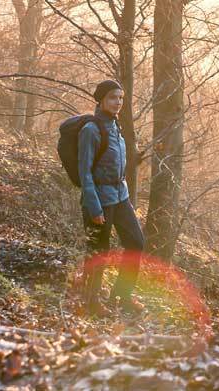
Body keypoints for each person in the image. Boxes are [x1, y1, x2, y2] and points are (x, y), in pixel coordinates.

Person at [76, 80, 145, 313]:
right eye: (113, 97)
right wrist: (94, 207)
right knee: (98, 251)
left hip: (120, 196)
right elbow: (84, 171)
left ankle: (122, 296)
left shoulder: (116, 127)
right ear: (102, 99)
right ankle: (91, 303)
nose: (118, 102)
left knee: (136, 242)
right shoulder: (90, 130)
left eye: (121, 98)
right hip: (99, 199)